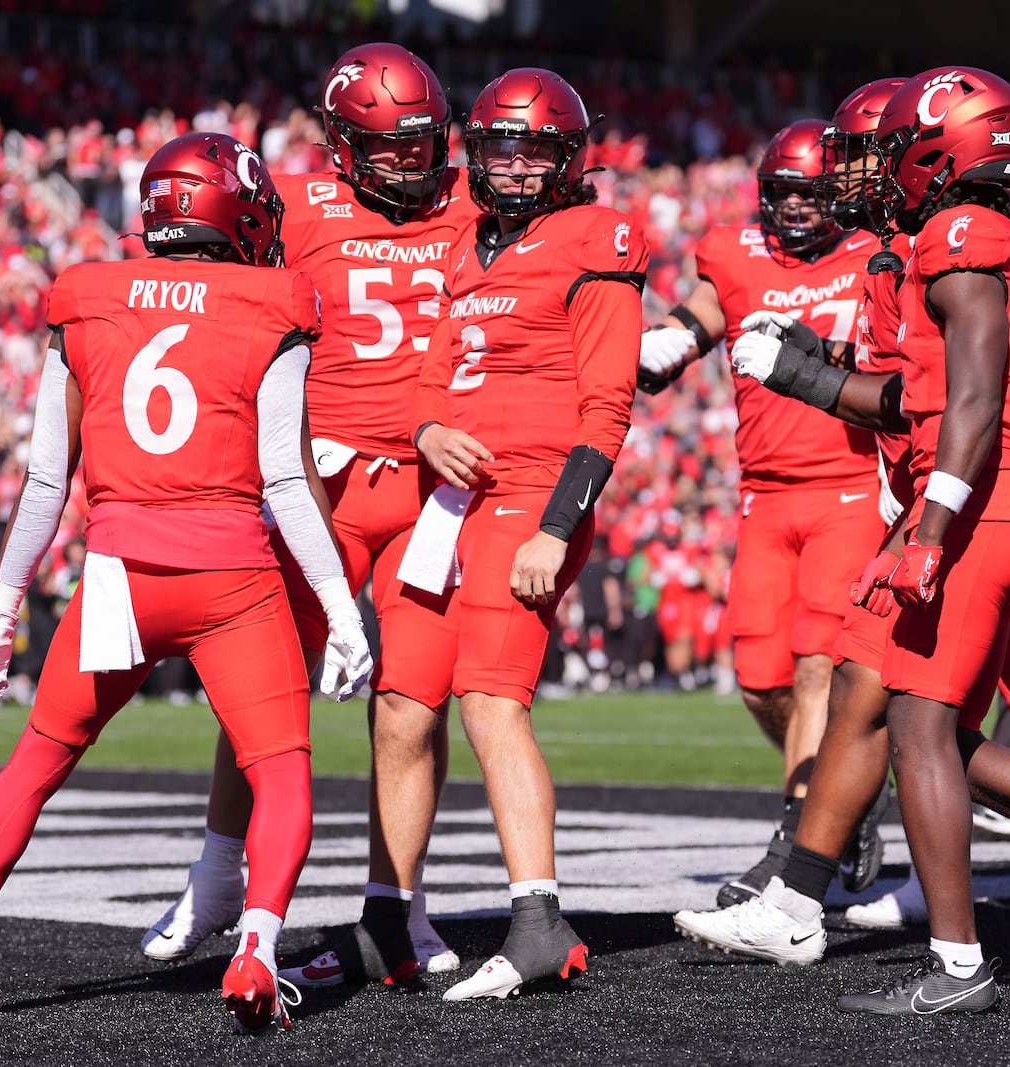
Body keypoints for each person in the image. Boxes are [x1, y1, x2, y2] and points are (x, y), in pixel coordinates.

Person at [675, 70, 1010, 1010]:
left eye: (880, 149)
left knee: (939, 725)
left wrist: (930, 527)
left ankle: (974, 955)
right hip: (966, 496)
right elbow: (910, 399)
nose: (862, 171)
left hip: (982, 502)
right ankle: (808, 892)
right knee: (895, 707)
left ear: (942, 148)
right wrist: (801, 369)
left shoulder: (967, 234)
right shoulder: (933, 242)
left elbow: (974, 402)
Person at [0, 132, 372, 1034]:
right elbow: (284, 476)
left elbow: (49, 477)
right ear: (236, 213)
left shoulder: (87, 296)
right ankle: (258, 947)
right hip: (234, 579)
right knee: (281, 773)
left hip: (117, 578)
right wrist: (342, 609)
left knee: (33, 764)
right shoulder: (273, 299)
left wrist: (3, 602)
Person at [140, 42, 474, 981]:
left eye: (423, 145)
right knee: (261, 689)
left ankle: (392, 909)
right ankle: (217, 874)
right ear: (341, 145)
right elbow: (205, 267)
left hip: (427, 489)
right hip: (315, 482)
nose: (414, 165)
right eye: (390, 149)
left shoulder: (477, 203)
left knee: (411, 703)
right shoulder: (293, 205)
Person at [372, 66, 647, 1001]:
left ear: (570, 157)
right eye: (500, 144)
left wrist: (554, 529)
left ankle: (537, 920)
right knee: (404, 700)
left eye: (535, 146)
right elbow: (430, 376)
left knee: (493, 701)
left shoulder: (594, 238)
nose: (517, 163)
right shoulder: (464, 248)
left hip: (532, 497)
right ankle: (389, 916)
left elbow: (608, 407)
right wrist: (424, 429)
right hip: (445, 502)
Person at [635, 119, 886, 907]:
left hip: (848, 485)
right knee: (759, 680)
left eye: (813, 194)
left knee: (818, 667)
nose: (799, 209)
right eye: (783, 193)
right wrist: (650, 346)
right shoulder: (735, 255)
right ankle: (843, 796)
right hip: (764, 496)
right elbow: (688, 327)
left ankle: (798, 842)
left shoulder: (876, 253)